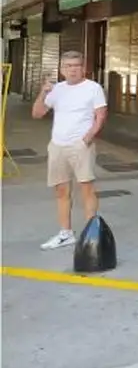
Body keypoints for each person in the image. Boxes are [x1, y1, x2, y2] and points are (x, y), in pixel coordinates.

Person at [32, 51, 108, 250]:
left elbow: (100, 115)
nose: (73, 70)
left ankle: (91, 235)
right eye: (68, 66)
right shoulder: (56, 89)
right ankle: (65, 233)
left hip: (80, 145)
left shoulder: (93, 88)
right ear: (62, 69)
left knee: (86, 188)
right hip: (58, 145)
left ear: (83, 68)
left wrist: (87, 138)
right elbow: (37, 113)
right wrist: (43, 92)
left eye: (76, 65)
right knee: (61, 190)